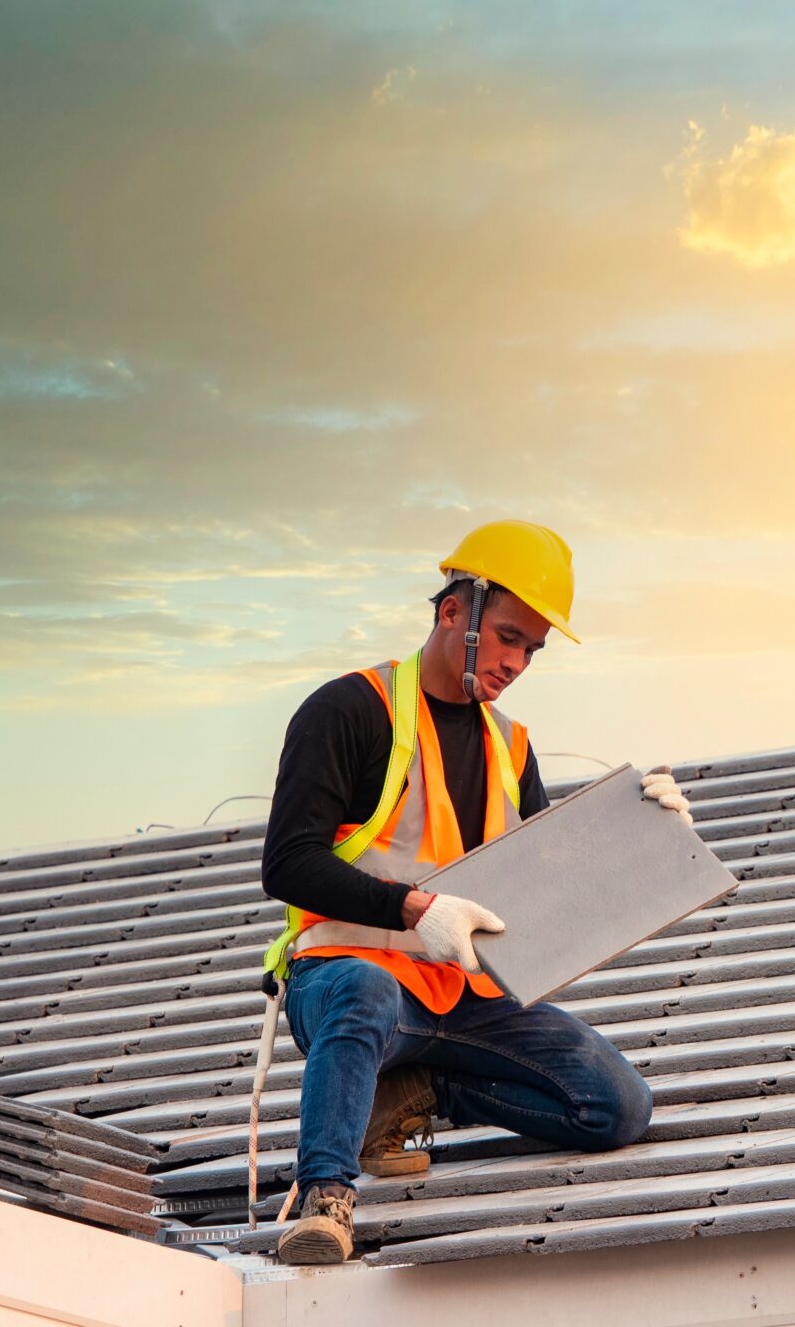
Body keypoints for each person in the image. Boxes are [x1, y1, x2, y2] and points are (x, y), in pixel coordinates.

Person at [255, 520, 653, 1264]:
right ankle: (326, 1200)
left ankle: (415, 1090)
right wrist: (415, 909)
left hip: (459, 1000)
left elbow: (549, 890)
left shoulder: (512, 747)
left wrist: (643, 833)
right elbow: (287, 864)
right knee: (366, 993)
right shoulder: (348, 711)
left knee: (616, 1105)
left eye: (531, 649)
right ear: (451, 613)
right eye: (507, 637)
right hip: (343, 982)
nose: (517, 662)